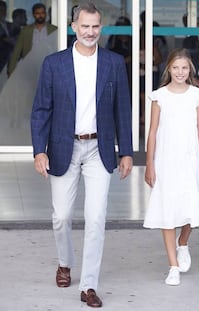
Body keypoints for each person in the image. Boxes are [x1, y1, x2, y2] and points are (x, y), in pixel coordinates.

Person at [31, 2, 133, 307]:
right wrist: (39, 151)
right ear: (74, 26)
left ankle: (89, 284)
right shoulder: (54, 63)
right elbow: (41, 110)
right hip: (64, 147)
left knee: (96, 217)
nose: (90, 32)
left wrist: (125, 152)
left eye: (95, 26)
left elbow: (122, 111)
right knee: (61, 216)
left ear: (101, 27)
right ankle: (65, 261)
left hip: (99, 150)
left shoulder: (114, 62)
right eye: (85, 26)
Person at [143, 48, 199, 286]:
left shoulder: (196, 95)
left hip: (190, 158)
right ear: (168, 69)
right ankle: (173, 266)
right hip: (165, 160)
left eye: (184, 68)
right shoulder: (159, 96)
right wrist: (149, 164)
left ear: (190, 69)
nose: (180, 72)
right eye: (175, 67)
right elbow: (152, 131)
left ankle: (184, 242)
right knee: (167, 209)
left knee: (192, 205)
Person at [7, 2, 57, 76]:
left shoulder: (54, 29)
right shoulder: (26, 31)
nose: (40, 15)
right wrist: (10, 71)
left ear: (45, 14)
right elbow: (17, 51)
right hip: (30, 66)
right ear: (33, 14)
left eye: (42, 13)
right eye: (37, 13)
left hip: (49, 66)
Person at [0, 0, 12, 72]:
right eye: (0, 10)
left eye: (4, 10)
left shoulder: (10, 25)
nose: (3, 13)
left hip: (10, 61)